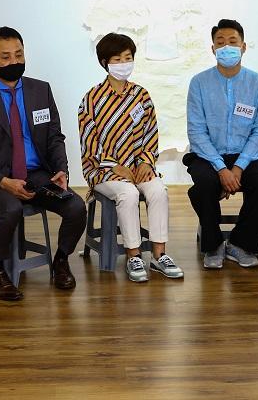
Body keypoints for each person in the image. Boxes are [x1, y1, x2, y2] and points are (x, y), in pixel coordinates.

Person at [0, 27, 87, 301]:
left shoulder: (40, 90)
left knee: (76, 207)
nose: (14, 61)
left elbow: (54, 136)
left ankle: (61, 260)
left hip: (37, 174)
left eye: (19, 55)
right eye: (5, 57)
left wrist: (61, 169)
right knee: (12, 208)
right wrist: (4, 182)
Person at [78, 33, 182, 283]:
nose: (124, 63)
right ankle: (133, 256)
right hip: (102, 170)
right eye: (117, 59)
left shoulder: (141, 96)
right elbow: (89, 143)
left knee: (158, 190)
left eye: (128, 58)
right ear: (105, 62)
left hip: (138, 167)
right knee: (128, 193)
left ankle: (159, 255)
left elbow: (151, 133)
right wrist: (116, 168)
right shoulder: (91, 99)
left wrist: (145, 162)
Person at [185, 19, 258, 270]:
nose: (227, 47)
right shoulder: (199, 83)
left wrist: (238, 167)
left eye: (233, 42)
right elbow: (196, 131)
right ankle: (213, 244)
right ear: (213, 48)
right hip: (207, 155)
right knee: (204, 186)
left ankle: (240, 243)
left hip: (246, 155)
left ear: (243, 47)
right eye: (220, 42)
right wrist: (221, 168)